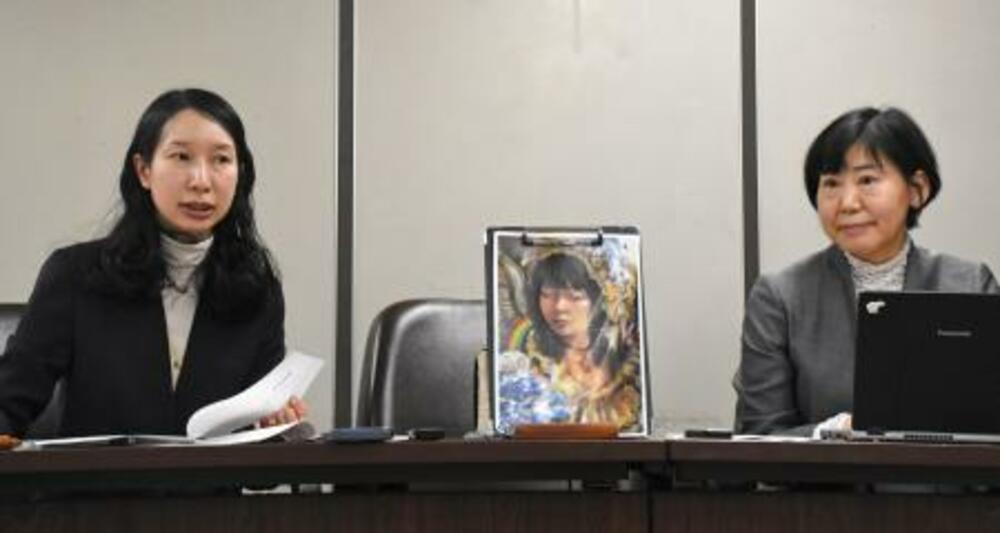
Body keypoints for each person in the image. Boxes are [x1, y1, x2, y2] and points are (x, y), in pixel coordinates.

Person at [0, 88, 306, 437]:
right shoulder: (75, 275)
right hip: (98, 474)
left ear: (240, 174)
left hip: (209, 477)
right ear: (144, 170)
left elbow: (256, 448)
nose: (201, 181)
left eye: (221, 160)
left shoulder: (257, 290)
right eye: (181, 157)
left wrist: (273, 424)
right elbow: (8, 403)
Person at [733, 107, 999, 436]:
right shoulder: (781, 296)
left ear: (917, 189)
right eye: (831, 183)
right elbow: (759, 435)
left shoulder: (969, 284)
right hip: (821, 472)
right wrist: (836, 430)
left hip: (944, 473)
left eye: (867, 180)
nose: (847, 203)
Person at [520, 252, 641, 428]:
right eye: (547, 295)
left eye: (575, 297)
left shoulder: (625, 357)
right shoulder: (531, 362)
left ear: (597, 300)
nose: (559, 307)